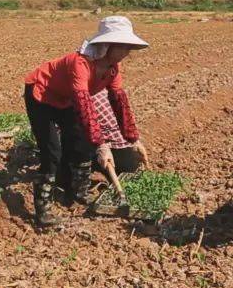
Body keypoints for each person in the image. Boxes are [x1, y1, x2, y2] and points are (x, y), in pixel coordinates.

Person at [24, 16, 148, 226]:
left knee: (81, 142)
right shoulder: (80, 63)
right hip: (42, 95)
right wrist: (101, 143)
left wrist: (132, 138)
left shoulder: (112, 69)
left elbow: (119, 101)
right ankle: (42, 208)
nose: (127, 52)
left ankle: (79, 192)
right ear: (108, 45)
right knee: (52, 150)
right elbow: (83, 103)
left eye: (129, 47)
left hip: (66, 99)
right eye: (124, 46)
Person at [89, 88, 150, 193]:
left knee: (130, 175)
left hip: (116, 138)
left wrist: (134, 140)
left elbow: (124, 114)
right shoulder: (82, 92)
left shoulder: (111, 88)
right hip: (86, 137)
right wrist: (101, 146)